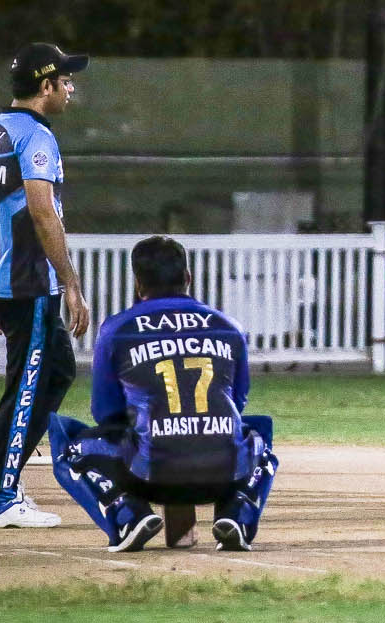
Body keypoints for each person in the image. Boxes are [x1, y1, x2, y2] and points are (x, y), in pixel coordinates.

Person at [49, 236, 278, 552]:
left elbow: (106, 412)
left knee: (67, 443)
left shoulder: (117, 329)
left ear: (138, 284)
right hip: (222, 476)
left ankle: (128, 514)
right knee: (259, 433)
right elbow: (237, 404)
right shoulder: (228, 327)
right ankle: (237, 513)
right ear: (188, 278)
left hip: (151, 478)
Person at [0, 43, 92, 528]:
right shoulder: (35, 136)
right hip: (27, 279)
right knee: (29, 381)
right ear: (46, 86)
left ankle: (2, 457)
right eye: (65, 80)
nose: (70, 88)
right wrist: (70, 284)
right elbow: (42, 213)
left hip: (1, 277)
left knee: (57, 369)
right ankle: (2, 496)